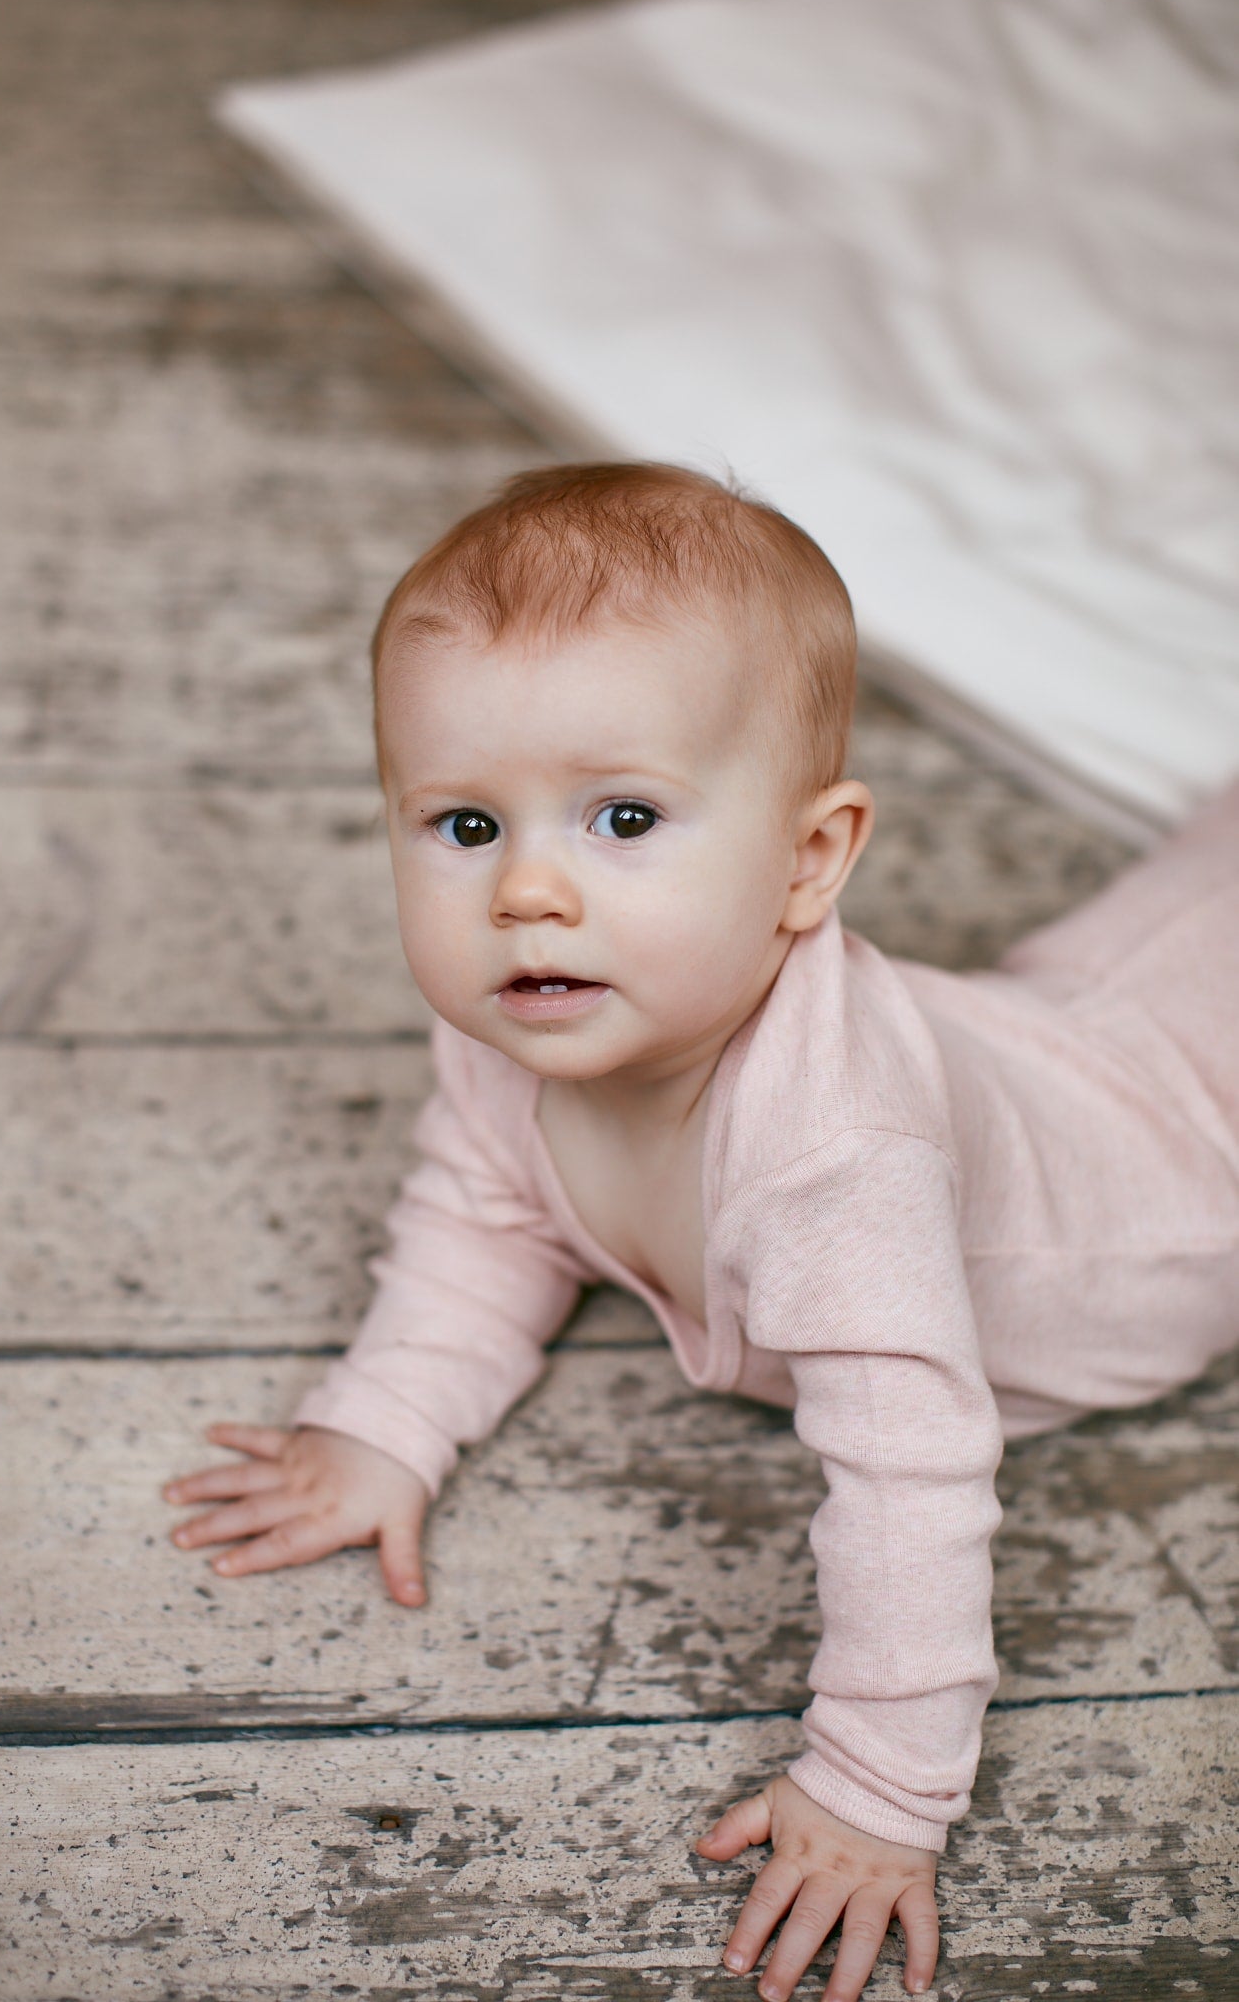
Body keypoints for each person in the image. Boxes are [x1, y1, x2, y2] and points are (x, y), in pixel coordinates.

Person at [163, 463, 1239, 2002]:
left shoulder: (834, 1157)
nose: (528, 892)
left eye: (621, 818)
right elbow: (483, 1215)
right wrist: (389, 1419)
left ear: (809, 861)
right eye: (464, 824)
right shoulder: (516, 1026)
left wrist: (878, 1788)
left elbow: (912, 1473)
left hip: (1183, 1176)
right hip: (1057, 1023)